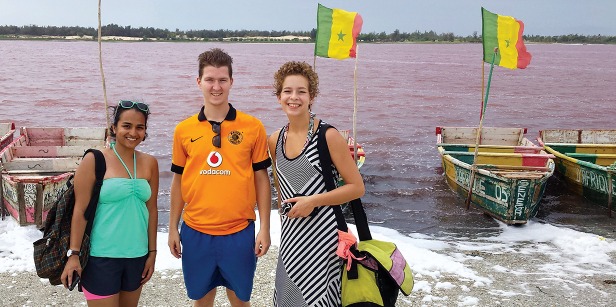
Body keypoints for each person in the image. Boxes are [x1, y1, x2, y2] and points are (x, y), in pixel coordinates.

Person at [168, 48, 271, 307]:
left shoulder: (253, 127)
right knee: (201, 298)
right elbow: (178, 181)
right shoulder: (183, 129)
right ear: (199, 82)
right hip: (195, 230)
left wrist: (265, 229)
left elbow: (261, 178)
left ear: (231, 82)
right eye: (210, 80)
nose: (216, 87)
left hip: (239, 231)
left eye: (222, 80)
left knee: (239, 299)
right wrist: (172, 228)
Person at [268, 61, 365, 306]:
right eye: (288, 91)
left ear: (312, 96)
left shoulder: (328, 136)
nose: (294, 97)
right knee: (289, 299)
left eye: (301, 91)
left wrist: (313, 201)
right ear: (279, 96)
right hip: (291, 240)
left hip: (324, 240)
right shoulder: (275, 140)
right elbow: (281, 191)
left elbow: (356, 187)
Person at [61, 100, 159, 306]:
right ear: (114, 128)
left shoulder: (150, 163)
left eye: (139, 127)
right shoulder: (94, 159)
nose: (133, 132)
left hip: (137, 256)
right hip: (100, 257)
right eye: (126, 126)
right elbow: (80, 211)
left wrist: (152, 253)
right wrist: (74, 254)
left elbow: (151, 209)